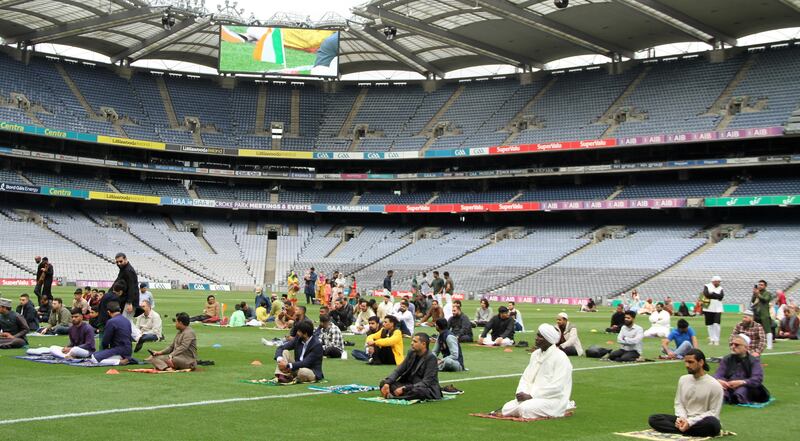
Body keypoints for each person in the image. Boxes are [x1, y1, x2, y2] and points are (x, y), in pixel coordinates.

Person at [499, 324, 574, 418]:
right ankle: (523, 406)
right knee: (506, 408)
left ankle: (561, 407)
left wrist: (532, 395)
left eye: (540, 336)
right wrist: (522, 393)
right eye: (537, 335)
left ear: (548, 339)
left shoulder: (560, 357)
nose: (536, 338)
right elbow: (525, 378)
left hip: (552, 399)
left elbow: (557, 387)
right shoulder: (535, 355)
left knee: (525, 408)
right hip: (531, 398)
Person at [648, 349, 723, 437]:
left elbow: (713, 412)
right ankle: (686, 430)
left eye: (690, 362)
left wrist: (690, 422)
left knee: (713, 424)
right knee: (654, 419)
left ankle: (683, 430)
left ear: (701, 362)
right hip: (686, 418)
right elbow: (679, 403)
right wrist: (682, 418)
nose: (687, 365)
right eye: (686, 362)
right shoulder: (683, 379)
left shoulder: (715, 385)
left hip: (702, 421)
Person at [379, 333, 441, 400]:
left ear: (423, 344)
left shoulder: (431, 358)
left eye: (415, 341)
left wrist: (405, 388)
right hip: (408, 384)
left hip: (423, 387)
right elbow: (399, 370)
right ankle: (400, 395)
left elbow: (427, 382)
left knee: (418, 392)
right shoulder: (411, 352)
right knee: (384, 383)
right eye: (412, 341)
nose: (411, 343)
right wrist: (387, 383)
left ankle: (395, 396)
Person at [713, 334, 769, 405]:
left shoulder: (754, 361)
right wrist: (720, 381)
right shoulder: (726, 359)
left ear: (746, 348)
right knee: (719, 390)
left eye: (736, 345)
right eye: (731, 344)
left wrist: (741, 382)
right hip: (728, 385)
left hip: (746, 387)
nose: (733, 347)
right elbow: (718, 374)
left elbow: (757, 379)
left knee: (741, 391)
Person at [27, 308, 95, 359]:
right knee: (53, 347)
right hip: (72, 350)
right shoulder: (71, 328)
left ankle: (67, 356)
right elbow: (72, 342)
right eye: (72, 317)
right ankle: (67, 356)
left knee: (75, 350)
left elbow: (88, 345)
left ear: (81, 317)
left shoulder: (88, 328)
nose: (73, 319)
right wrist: (66, 347)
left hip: (86, 351)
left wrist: (71, 348)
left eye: (76, 317)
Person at [92, 301, 132, 366]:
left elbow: (106, 340)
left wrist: (105, 351)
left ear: (108, 312)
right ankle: (124, 359)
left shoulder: (111, 322)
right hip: (127, 350)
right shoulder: (126, 320)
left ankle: (119, 362)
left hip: (119, 350)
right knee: (96, 355)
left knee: (94, 358)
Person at [701, 276, 724, 346]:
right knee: (709, 325)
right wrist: (716, 296)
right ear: (713, 281)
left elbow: (721, 296)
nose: (719, 283)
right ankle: (712, 339)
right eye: (717, 281)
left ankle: (717, 340)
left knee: (717, 324)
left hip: (718, 308)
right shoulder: (707, 286)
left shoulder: (721, 288)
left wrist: (713, 294)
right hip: (708, 308)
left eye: (719, 282)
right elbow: (706, 294)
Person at [751, 280, 773, 350]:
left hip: (764, 314)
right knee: (755, 330)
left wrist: (758, 294)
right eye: (759, 284)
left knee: (767, 330)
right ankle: (756, 344)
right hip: (756, 314)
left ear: (765, 286)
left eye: (762, 285)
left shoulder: (768, 293)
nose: (760, 286)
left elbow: (765, 300)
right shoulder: (757, 293)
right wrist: (754, 294)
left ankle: (769, 345)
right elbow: (752, 300)